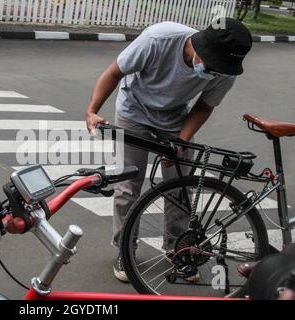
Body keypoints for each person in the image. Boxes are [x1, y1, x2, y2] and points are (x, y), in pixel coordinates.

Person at [85, 18, 253, 282]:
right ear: (199, 48)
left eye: (220, 69)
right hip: (134, 111)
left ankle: (178, 249)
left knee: (181, 187)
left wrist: (181, 141)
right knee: (128, 185)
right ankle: (125, 248)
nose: (214, 73)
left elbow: (204, 106)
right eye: (211, 66)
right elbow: (114, 72)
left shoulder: (225, 70)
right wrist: (92, 110)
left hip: (176, 119)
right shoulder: (157, 40)